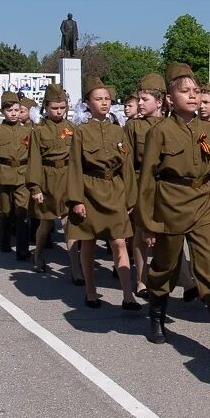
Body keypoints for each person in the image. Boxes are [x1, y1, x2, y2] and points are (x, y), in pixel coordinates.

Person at [138, 63, 210, 357]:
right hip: (170, 203)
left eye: (196, 91)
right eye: (184, 91)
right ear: (170, 98)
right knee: (165, 267)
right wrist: (147, 222)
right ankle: (156, 316)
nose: (193, 96)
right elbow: (147, 179)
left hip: (204, 204)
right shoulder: (159, 132)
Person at [65, 77, 139, 309]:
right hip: (90, 190)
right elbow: (75, 166)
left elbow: (126, 165)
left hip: (114, 190)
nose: (104, 103)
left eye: (107, 99)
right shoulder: (81, 132)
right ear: (88, 102)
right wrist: (76, 200)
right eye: (99, 99)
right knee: (88, 242)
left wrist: (130, 197)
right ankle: (91, 292)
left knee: (119, 242)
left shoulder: (119, 132)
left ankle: (128, 296)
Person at [26, 84, 79, 277]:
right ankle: (38, 254)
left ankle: (75, 267)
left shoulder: (73, 129)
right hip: (47, 179)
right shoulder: (39, 131)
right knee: (46, 224)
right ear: (46, 108)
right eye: (54, 108)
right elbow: (34, 160)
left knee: (68, 224)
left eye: (62, 107)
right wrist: (35, 188)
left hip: (67, 178)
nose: (59, 111)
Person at [126, 73, 167, 297]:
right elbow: (127, 165)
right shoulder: (133, 127)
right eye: (139, 99)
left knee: (168, 237)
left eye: (144, 99)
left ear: (159, 102)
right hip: (142, 185)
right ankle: (141, 280)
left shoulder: (170, 125)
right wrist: (131, 197)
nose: (139, 104)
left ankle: (179, 280)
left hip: (166, 188)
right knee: (141, 235)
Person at [0, 92, 31, 260]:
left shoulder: (27, 131)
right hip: (3, 175)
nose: (14, 113)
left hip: (22, 176)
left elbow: (33, 157)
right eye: (9, 110)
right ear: (2, 111)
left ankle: (23, 249)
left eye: (17, 109)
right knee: (4, 211)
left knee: (22, 212)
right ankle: (4, 242)